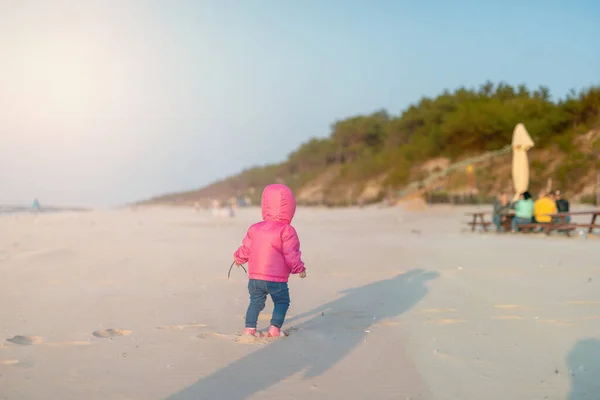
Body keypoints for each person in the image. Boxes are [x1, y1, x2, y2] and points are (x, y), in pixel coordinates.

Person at [233, 184, 307, 338]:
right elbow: (291, 254)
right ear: (290, 206)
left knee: (255, 303)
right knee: (281, 302)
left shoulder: (255, 228)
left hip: (255, 278)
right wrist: (299, 268)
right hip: (277, 279)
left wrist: (239, 259)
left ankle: (249, 330)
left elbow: (246, 248)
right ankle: (274, 329)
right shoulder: (287, 230)